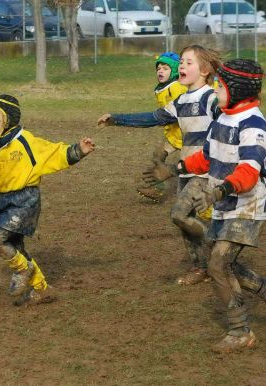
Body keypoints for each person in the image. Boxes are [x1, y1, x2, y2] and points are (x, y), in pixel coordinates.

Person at [97, 45, 221, 286]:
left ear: (205, 70)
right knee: (186, 221)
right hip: (187, 168)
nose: (182, 66)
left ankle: (220, 250)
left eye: (187, 62)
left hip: (206, 171)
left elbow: (232, 123)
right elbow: (153, 118)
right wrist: (116, 119)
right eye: (182, 62)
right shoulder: (181, 101)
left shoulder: (211, 98)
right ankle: (201, 267)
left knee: (179, 215)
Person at [0, 94, 95, 306]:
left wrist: (78, 151)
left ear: (8, 122)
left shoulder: (25, 141)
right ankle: (42, 289)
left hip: (25, 200)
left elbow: (53, 153)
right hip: (0, 201)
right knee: (15, 248)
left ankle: (23, 269)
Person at [174, 59, 266, 353]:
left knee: (217, 263)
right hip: (225, 203)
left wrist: (219, 190)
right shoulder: (223, 118)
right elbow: (205, 157)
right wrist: (174, 168)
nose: (215, 89)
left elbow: (249, 173)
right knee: (228, 265)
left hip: (247, 206)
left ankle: (241, 331)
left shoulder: (253, 124)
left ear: (236, 90)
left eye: (220, 85)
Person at [136, 52, 187, 203]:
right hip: (174, 135)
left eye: (165, 68)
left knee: (191, 168)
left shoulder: (177, 87)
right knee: (158, 155)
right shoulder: (163, 87)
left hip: (187, 136)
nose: (160, 71)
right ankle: (157, 189)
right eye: (158, 68)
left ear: (175, 71)